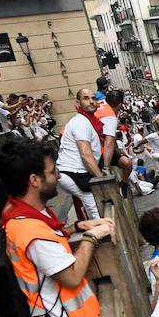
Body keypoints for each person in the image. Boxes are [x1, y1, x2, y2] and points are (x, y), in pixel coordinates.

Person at [0, 143, 112, 317]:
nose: (58, 176)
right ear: (35, 180)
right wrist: (91, 237)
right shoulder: (29, 231)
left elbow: (50, 240)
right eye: (52, 172)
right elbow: (72, 277)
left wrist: (76, 227)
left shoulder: (19, 211)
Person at [57, 88, 109, 220]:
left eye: (93, 98)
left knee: (96, 206)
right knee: (96, 207)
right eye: (86, 98)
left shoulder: (86, 121)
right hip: (73, 173)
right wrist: (100, 179)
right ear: (78, 103)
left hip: (76, 172)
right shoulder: (81, 122)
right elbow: (85, 153)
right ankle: (105, 234)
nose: (91, 101)